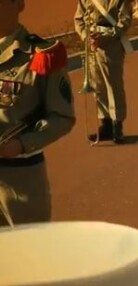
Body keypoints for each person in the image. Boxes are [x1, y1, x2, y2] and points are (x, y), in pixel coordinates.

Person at [0, 0, 75, 226]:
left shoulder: (42, 55)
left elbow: (62, 117)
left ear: (18, 4)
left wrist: (22, 144)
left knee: (30, 254)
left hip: (20, 177)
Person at [74, 0, 132, 144]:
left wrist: (105, 37)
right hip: (92, 46)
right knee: (97, 86)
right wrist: (86, 38)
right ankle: (105, 124)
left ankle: (117, 125)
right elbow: (79, 19)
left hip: (110, 45)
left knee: (113, 85)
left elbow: (124, 20)